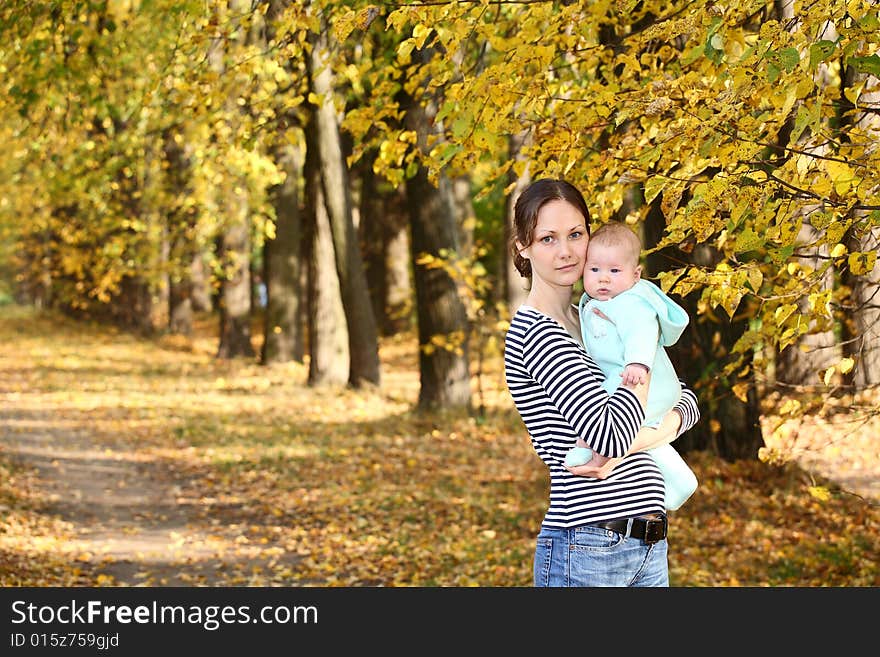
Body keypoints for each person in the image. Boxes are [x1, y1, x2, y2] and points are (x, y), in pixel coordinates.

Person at [503, 178, 700, 587]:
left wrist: (657, 425)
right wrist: (642, 368)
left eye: (576, 234)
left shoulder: (595, 317)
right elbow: (610, 437)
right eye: (548, 239)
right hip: (589, 548)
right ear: (523, 246)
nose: (566, 251)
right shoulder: (537, 333)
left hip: (647, 544)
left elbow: (686, 398)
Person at [571, 221, 698, 511]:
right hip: (642, 384)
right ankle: (680, 484)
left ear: (635, 274)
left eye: (614, 271)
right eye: (594, 270)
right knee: (652, 441)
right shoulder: (598, 303)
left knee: (602, 409)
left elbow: (641, 330)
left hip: (638, 379)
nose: (603, 279)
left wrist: (638, 363)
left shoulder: (631, 302)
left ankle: (586, 447)